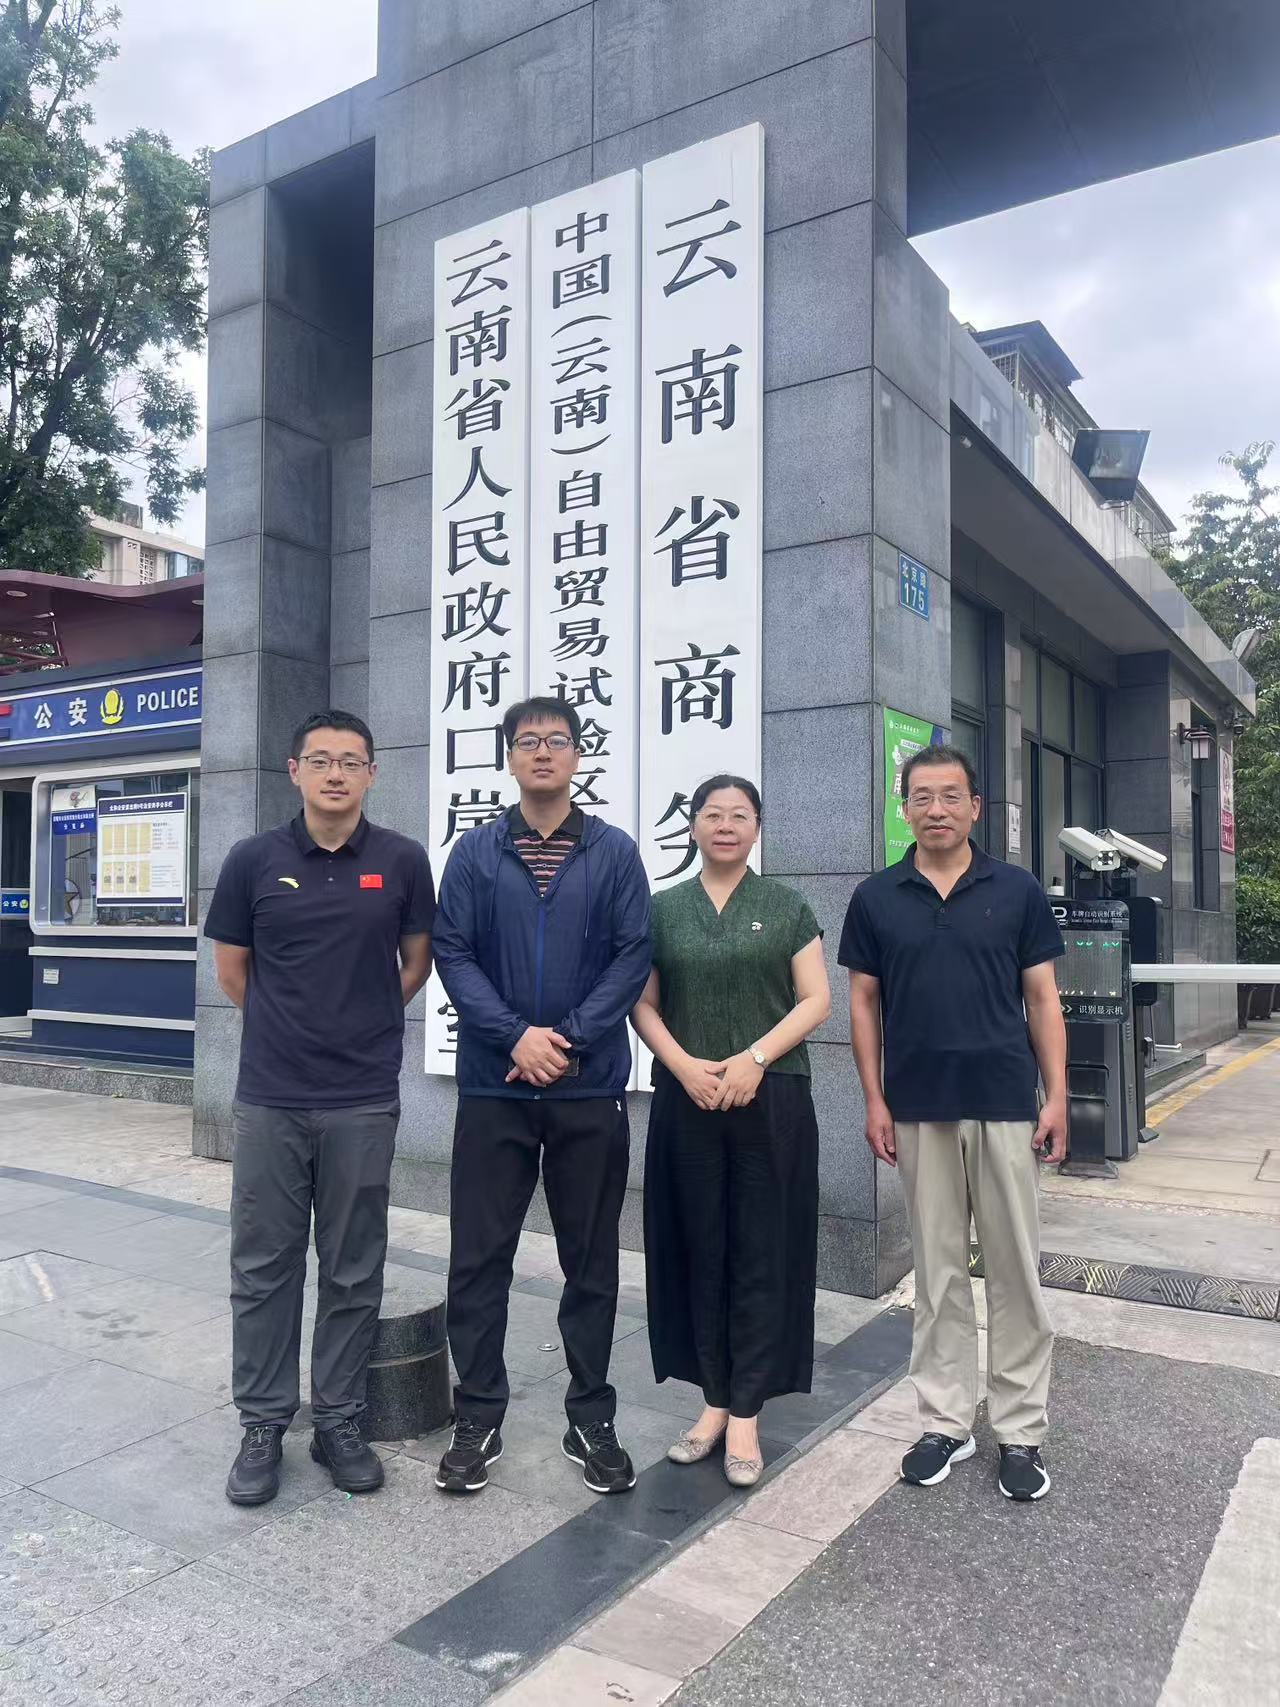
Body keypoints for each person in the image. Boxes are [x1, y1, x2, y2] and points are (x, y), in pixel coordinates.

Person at [206, 710, 435, 1506]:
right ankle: (264, 1421)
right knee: (264, 1265)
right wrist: (288, 1028)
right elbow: (232, 971)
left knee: (352, 1264)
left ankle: (338, 1416)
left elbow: (416, 963)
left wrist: (362, 1021)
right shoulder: (253, 860)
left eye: (351, 761)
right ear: (294, 769)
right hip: (271, 1095)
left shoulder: (402, 860)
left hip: (362, 1096)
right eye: (322, 759)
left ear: (372, 773)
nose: (336, 773)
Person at [431, 697, 652, 1496]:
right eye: (528, 741)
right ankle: (477, 1413)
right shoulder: (475, 852)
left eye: (557, 739)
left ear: (577, 754)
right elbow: (452, 951)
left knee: (590, 1258)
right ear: (510, 757)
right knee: (478, 1255)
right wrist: (514, 1037)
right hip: (495, 1084)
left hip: (587, 1086)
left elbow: (632, 954)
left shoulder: (613, 852)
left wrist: (566, 1039)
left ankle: (590, 1414)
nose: (543, 751)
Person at [840, 745, 1066, 1503]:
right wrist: (874, 1099)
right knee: (937, 1277)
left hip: (1004, 1101)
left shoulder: (1017, 889)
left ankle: (1021, 1430)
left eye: (950, 796)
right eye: (922, 796)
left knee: (1014, 1273)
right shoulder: (877, 897)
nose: (936, 809)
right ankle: (945, 1422)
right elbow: (863, 1004)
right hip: (917, 1106)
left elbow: (1043, 999)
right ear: (904, 807)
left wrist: (1056, 1095)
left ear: (975, 806)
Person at [632, 776, 830, 1488]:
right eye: (712, 814)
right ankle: (713, 1399)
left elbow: (817, 999)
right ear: (692, 826)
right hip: (687, 1097)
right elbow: (643, 1003)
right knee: (698, 1247)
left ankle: (746, 1410)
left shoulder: (785, 905)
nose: (724, 825)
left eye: (739, 814)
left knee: (762, 1249)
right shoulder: (663, 909)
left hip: (771, 1097)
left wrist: (754, 1059)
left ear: (757, 826)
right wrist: (683, 1065)